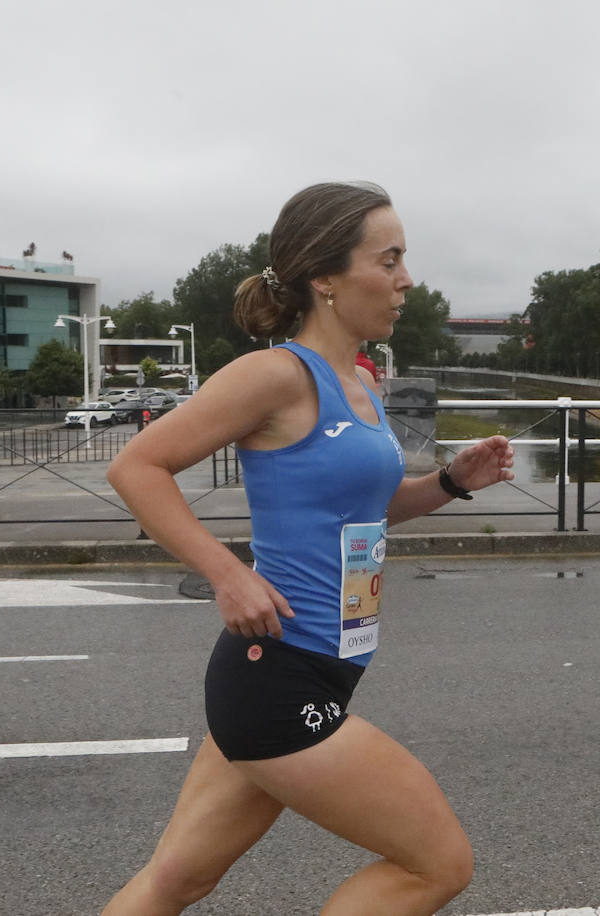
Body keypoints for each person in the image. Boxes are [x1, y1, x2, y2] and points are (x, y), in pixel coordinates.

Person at [101, 181, 514, 916]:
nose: (406, 280)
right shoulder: (275, 375)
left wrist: (451, 481)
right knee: (437, 864)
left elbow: (367, 509)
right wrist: (228, 574)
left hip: (319, 667)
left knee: (178, 880)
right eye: (388, 261)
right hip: (279, 674)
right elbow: (136, 467)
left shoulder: (358, 382)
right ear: (325, 278)